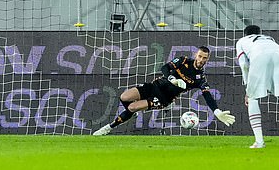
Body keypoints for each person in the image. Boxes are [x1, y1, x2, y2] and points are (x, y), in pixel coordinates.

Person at [93, 46, 236, 135]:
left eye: (205, 58)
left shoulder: (200, 78)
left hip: (164, 98)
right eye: (200, 56)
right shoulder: (183, 61)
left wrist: (217, 111)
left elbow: (208, 96)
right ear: (196, 55)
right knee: (125, 97)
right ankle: (133, 113)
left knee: (132, 107)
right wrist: (172, 79)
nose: (201, 59)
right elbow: (164, 68)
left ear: (207, 59)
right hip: (154, 86)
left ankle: (109, 127)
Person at [236, 25, 279, 148]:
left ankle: (259, 142)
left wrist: (248, 89)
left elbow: (244, 65)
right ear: (260, 33)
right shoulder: (269, 39)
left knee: (253, 99)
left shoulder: (242, 41)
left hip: (259, 55)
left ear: (245, 34)